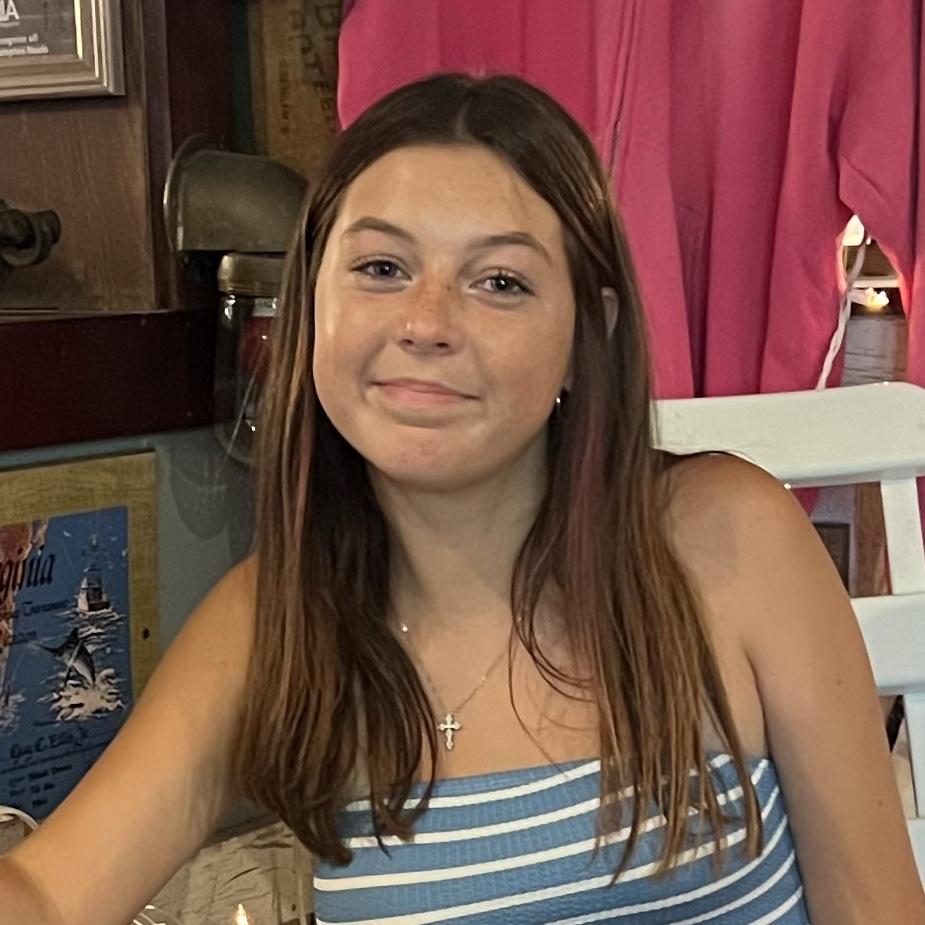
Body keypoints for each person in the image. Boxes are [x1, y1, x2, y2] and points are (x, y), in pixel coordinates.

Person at [1, 72, 922, 925]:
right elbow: (45, 892)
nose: (426, 322)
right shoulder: (272, 623)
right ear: (310, 304)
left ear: (586, 333)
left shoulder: (727, 538)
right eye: (381, 268)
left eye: (500, 282)